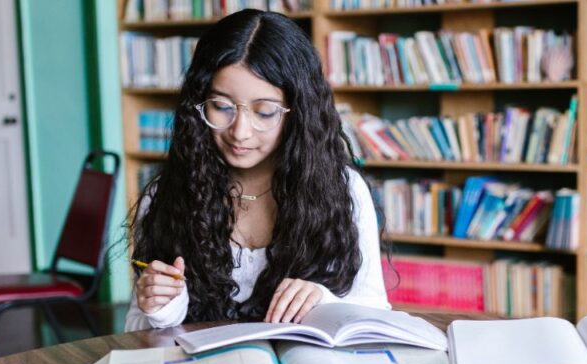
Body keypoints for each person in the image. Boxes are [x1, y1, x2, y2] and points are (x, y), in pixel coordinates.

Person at [125, 9, 389, 332]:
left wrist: (324, 300)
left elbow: (377, 315)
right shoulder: (166, 196)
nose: (240, 132)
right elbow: (135, 330)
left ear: (298, 113)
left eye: (265, 112)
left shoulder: (344, 190)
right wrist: (160, 308)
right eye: (221, 107)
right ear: (198, 104)